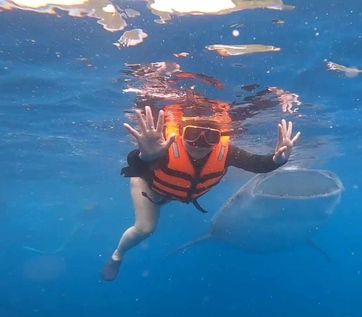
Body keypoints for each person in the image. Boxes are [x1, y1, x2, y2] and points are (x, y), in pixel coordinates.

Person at [101, 106, 301, 281]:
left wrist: (278, 160)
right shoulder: (165, 148)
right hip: (149, 186)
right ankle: (117, 255)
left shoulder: (226, 153)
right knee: (145, 228)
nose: (199, 143)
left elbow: (257, 164)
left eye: (210, 137)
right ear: (181, 133)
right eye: (192, 134)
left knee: (163, 204)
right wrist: (146, 156)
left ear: (219, 138)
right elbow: (135, 163)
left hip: (175, 191)